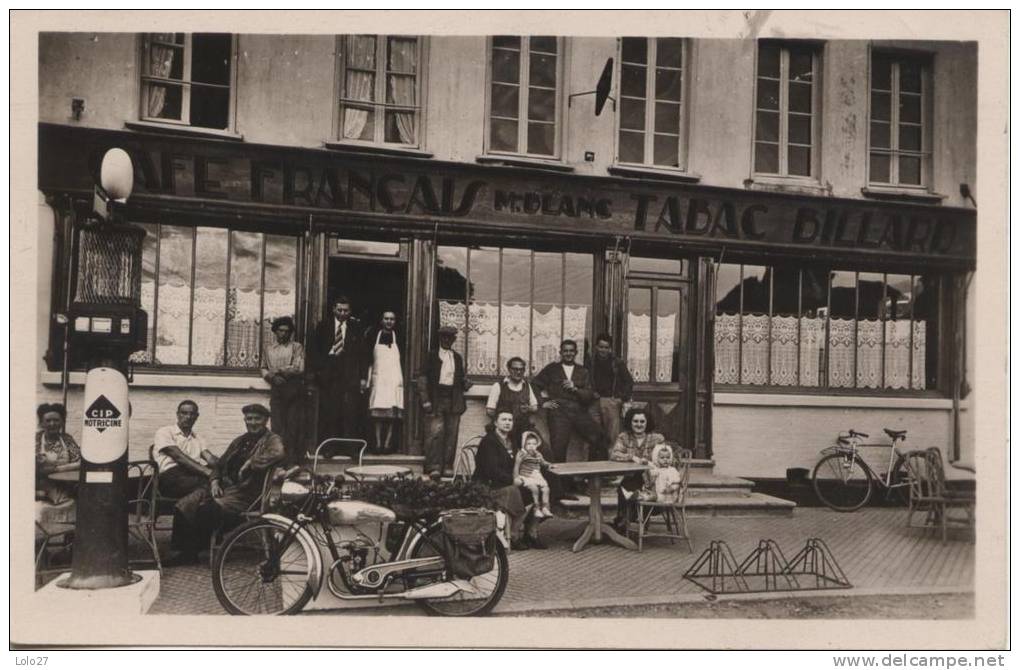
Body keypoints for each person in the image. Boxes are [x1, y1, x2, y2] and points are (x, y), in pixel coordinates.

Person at [167, 404, 284, 566]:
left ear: (266, 420)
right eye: (249, 418)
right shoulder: (240, 440)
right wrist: (215, 481)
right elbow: (219, 464)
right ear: (245, 420)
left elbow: (278, 453)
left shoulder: (272, 439)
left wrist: (251, 462)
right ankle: (184, 552)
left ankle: (192, 551)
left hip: (248, 493)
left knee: (205, 510)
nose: (253, 422)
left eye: (257, 419)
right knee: (185, 505)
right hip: (226, 487)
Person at [473, 411, 544, 550]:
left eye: (510, 420)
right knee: (527, 493)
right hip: (489, 485)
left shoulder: (512, 441)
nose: (507, 423)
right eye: (503, 419)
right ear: (495, 423)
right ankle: (514, 533)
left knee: (541, 487)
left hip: (507, 481)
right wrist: (515, 480)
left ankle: (531, 532)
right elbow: (491, 471)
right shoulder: (489, 442)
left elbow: (518, 464)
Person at [530, 339, 609, 464]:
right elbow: (534, 384)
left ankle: (591, 476)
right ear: (561, 352)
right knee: (558, 448)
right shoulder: (552, 369)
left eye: (571, 351)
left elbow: (590, 394)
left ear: (576, 353)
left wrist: (575, 389)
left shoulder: (583, 371)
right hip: (558, 412)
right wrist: (542, 402)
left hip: (578, 410)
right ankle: (561, 482)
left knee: (599, 437)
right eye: (565, 351)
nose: (568, 353)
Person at [308, 296, 367, 442]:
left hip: (350, 377)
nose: (342, 313)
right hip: (329, 377)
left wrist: (363, 377)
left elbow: (363, 354)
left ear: (350, 311)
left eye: (345, 310)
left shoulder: (356, 328)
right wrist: (319, 372)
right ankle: (330, 446)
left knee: (350, 412)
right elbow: (313, 351)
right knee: (330, 411)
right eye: (339, 310)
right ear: (334, 309)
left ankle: (350, 446)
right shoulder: (324, 326)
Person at [417, 325, 472, 478]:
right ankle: (434, 466)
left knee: (451, 434)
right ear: (440, 338)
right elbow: (422, 379)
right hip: (436, 399)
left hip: (453, 400)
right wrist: (425, 400)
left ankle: (447, 465)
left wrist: (465, 383)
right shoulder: (431, 356)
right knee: (435, 432)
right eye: (444, 337)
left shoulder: (457, 358)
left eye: (450, 338)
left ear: (454, 340)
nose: (447, 340)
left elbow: (459, 379)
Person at [609, 407, 667, 533]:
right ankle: (627, 520)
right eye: (635, 421)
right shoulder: (624, 437)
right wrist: (632, 457)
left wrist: (649, 462)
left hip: (652, 479)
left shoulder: (656, 438)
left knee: (627, 488)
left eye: (642, 421)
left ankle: (626, 520)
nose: (639, 425)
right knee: (625, 486)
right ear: (630, 422)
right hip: (632, 476)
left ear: (647, 423)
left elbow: (664, 457)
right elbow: (614, 454)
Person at [260, 315, 305, 465]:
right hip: (277, 389)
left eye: (287, 331)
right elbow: (263, 368)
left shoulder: (296, 347)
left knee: (292, 425)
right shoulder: (268, 348)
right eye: (280, 330)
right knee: (277, 425)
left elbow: (298, 368)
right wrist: (272, 378)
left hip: (293, 389)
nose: (284, 334)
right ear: (275, 331)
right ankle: (278, 460)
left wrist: (277, 371)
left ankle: (292, 460)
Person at [152, 400, 219, 499]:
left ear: (197, 416)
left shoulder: (198, 438)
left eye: (192, 414)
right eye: (184, 413)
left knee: (221, 482)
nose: (188, 417)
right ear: (177, 414)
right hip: (170, 477)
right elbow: (178, 457)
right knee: (207, 485)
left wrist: (222, 465)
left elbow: (210, 459)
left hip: (193, 474)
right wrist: (208, 472)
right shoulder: (165, 432)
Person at [364, 310, 404, 454]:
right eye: (386, 319)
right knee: (378, 414)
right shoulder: (373, 335)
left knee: (392, 415)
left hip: (393, 377)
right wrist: (367, 379)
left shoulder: (399, 336)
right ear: (381, 320)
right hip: (379, 378)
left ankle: (387, 443)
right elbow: (368, 358)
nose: (389, 322)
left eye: (392, 319)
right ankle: (377, 443)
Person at [588, 333, 634, 445]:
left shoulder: (617, 363)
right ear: (596, 347)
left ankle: (613, 459)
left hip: (610, 401)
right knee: (593, 434)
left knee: (613, 435)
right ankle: (597, 460)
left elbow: (628, 382)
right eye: (601, 347)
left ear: (610, 349)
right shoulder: (590, 362)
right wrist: (590, 393)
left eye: (606, 347)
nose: (603, 350)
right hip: (593, 402)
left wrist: (620, 398)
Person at [485, 356, 539, 444]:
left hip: (523, 428)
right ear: (509, 369)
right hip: (504, 429)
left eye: (521, 369)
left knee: (543, 448)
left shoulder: (527, 386)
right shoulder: (499, 386)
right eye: (515, 369)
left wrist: (528, 408)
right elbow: (490, 411)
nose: (518, 372)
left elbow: (535, 407)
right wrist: (504, 420)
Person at [35, 403, 80, 505]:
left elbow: (79, 462)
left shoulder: (67, 439)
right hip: (43, 485)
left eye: (56, 420)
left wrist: (56, 469)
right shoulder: (35, 439)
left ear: (62, 423)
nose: (52, 424)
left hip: (67, 484)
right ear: (41, 423)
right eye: (48, 421)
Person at [515, 431, 553, 519]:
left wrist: (549, 464)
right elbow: (517, 464)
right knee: (534, 489)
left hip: (537, 475)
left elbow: (543, 462)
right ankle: (536, 508)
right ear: (523, 444)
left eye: (534, 444)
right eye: (528, 444)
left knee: (546, 489)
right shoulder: (523, 454)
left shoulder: (538, 454)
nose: (531, 446)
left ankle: (545, 507)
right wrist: (516, 477)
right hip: (526, 475)